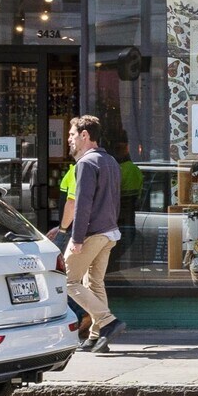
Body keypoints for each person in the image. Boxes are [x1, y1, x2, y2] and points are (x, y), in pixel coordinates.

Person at [64, 115, 123, 352]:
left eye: (72, 135)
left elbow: (83, 204)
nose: (69, 139)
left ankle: (108, 321)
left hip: (92, 233)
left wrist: (77, 238)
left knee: (67, 281)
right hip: (109, 232)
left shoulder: (86, 163)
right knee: (95, 283)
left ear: (85, 135)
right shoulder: (111, 161)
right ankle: (96, 337)